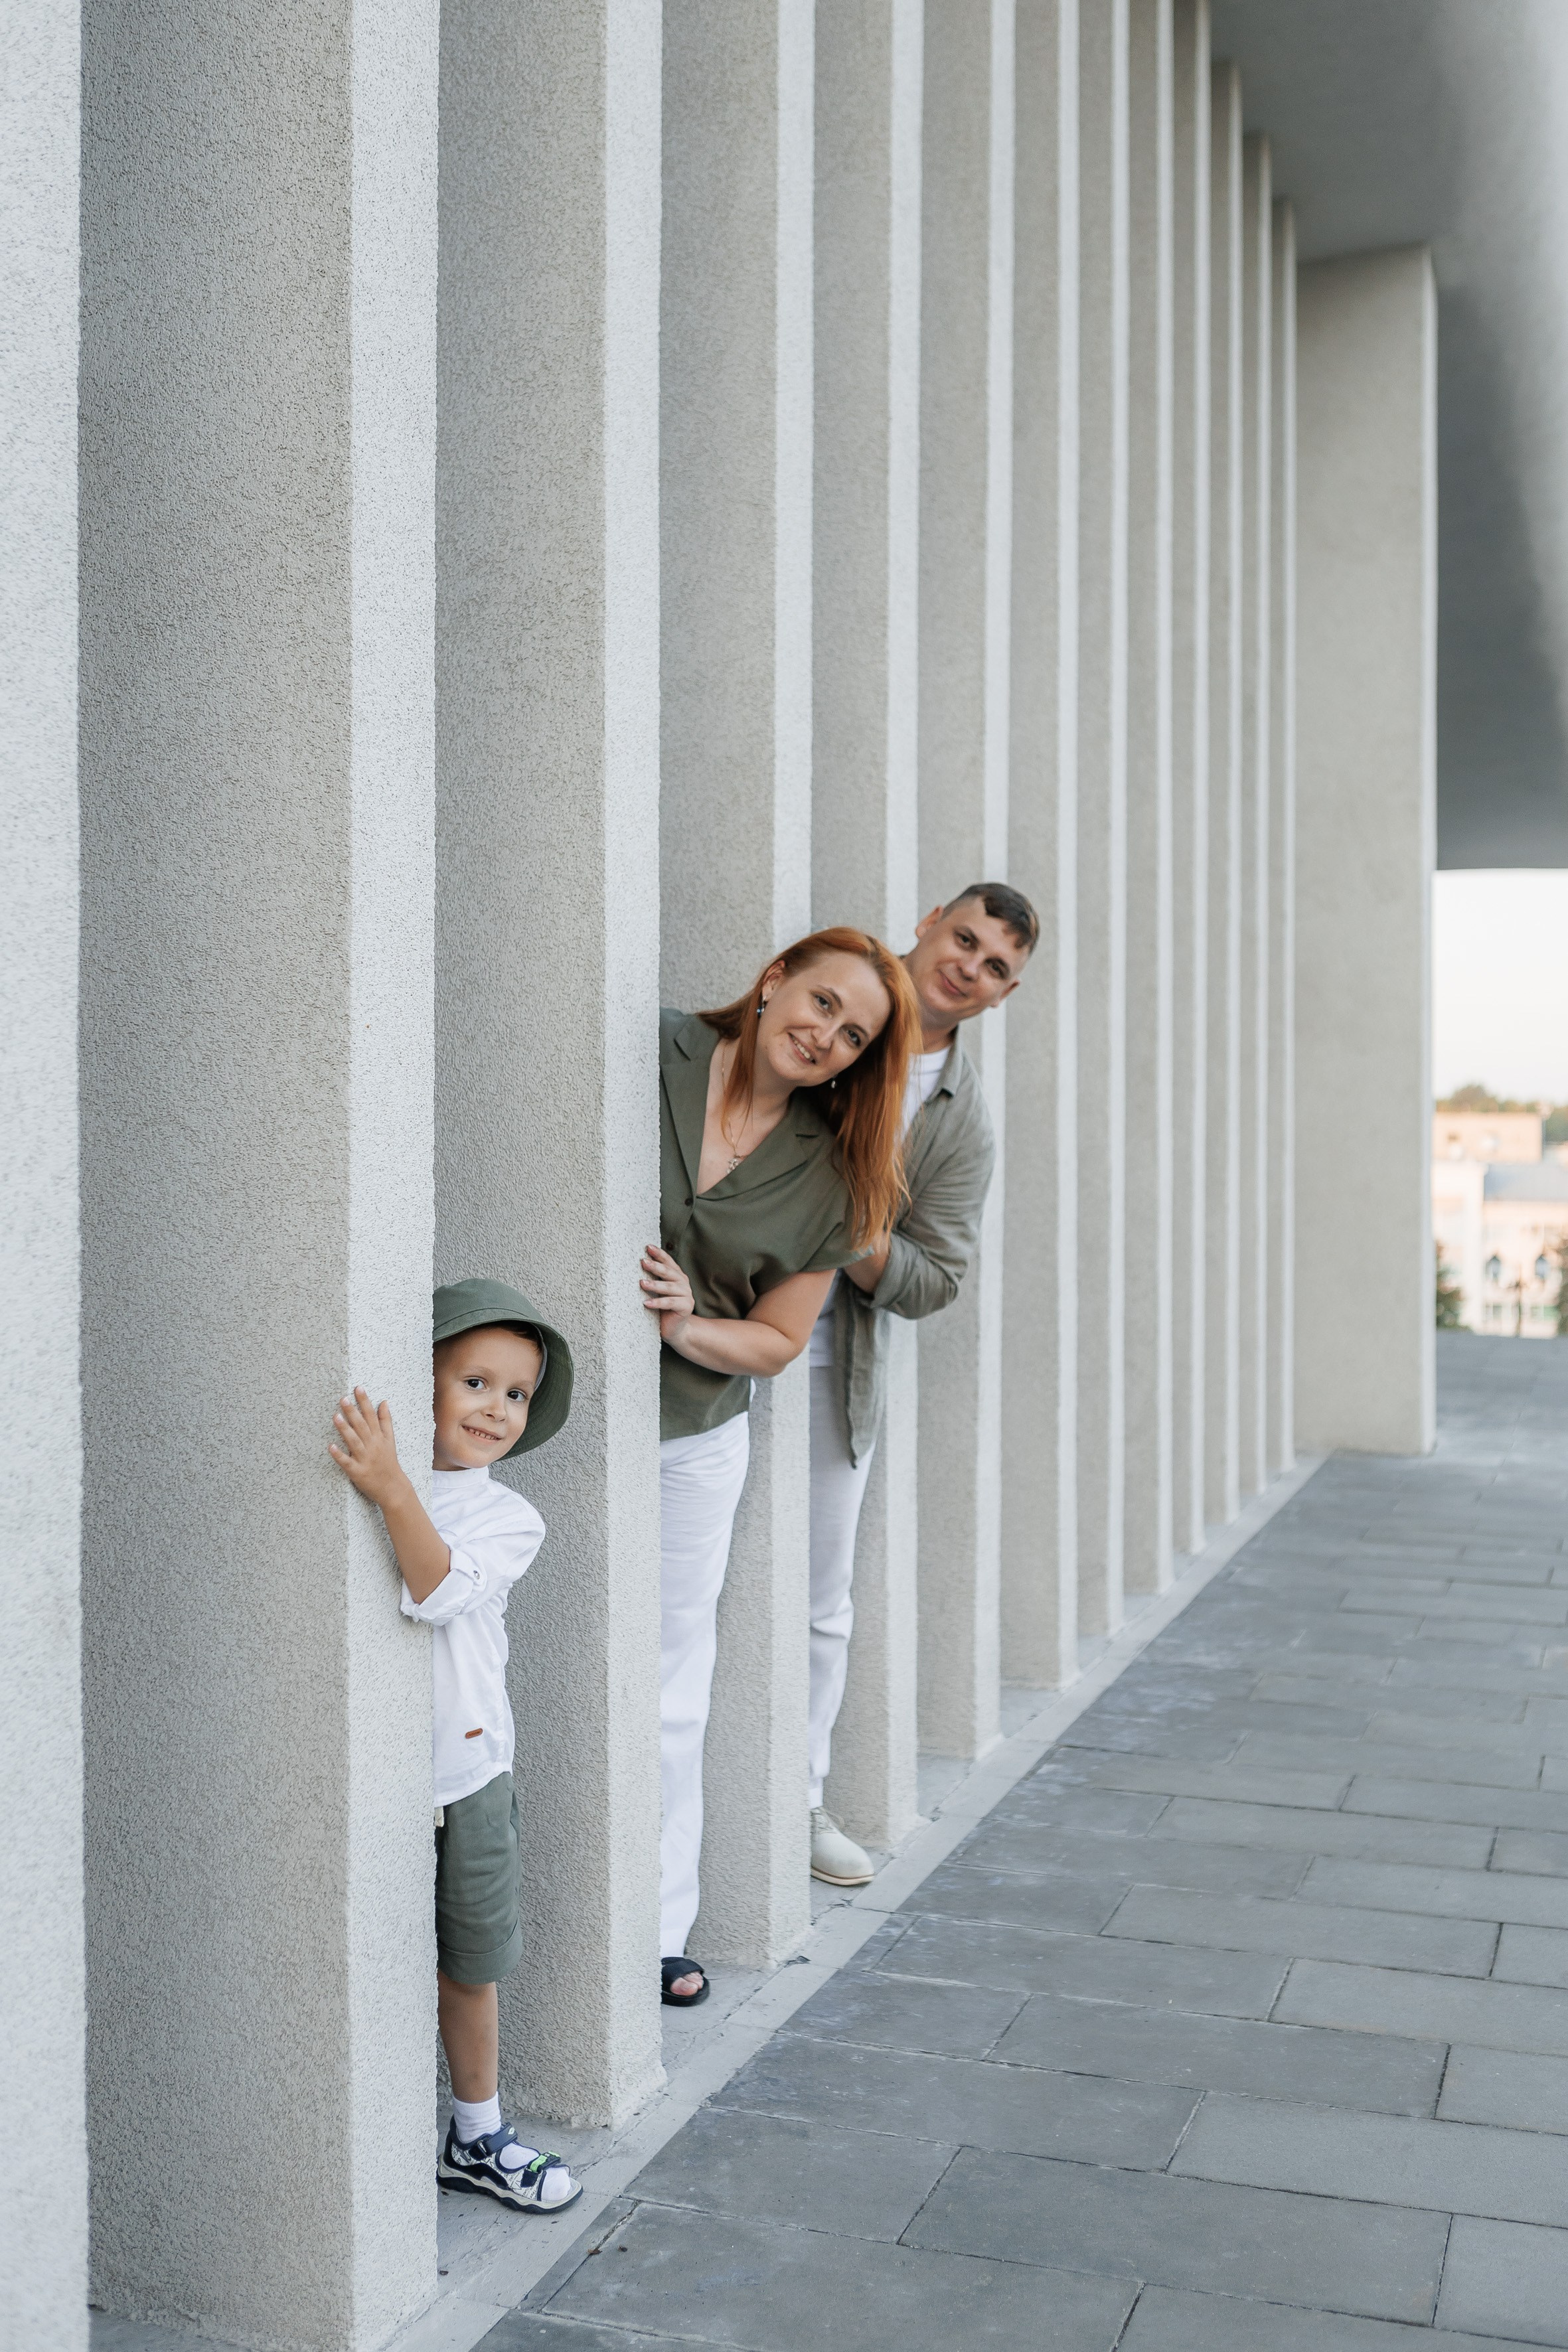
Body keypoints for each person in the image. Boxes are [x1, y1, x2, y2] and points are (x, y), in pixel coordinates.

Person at [640, 928, 922, 2006]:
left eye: (852, 1037)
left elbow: (775, 1341)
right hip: (547, 1405)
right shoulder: (652, 1050)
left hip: (693, 1434)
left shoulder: (836, 1178)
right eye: (821, 1004)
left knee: (671, 1676)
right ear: (772, 982)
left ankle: (659, 1929)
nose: (825, 1036)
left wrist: (685, 1328)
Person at [327, 1277, 584, 2216]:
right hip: (377, 1777)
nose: (497, 1409)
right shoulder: (381, 1476)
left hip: (467, 1773)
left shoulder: (507, 1516)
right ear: (422, 1378)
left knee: (470, 1962)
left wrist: (391, 1486)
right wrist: (388, 1481)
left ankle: (477, 2133)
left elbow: (434, 1592)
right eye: (475, 1382)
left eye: (516, 1394)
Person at [806, 884, 1039, 1887]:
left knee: (821, 1600)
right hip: (719, 1323)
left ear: (1003, 995)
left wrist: (855, 1225)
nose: (968, 968)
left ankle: (799, 1803)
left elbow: (935, 1279)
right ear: (928, 921)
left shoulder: (964, 1121)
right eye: (965, 939)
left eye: (995, 968)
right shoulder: (839, 1000)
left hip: (834, 1365)